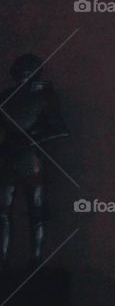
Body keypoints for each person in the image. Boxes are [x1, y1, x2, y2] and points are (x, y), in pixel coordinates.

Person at [0, 54, 69, 271]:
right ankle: (2, 262)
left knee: (36, 213)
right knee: (3, 212)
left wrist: (35, 138)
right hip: (9, 156)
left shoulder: (45, 96)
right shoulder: (6, 97)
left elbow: (60, 129)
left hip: (32, 158)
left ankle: (36, 263)